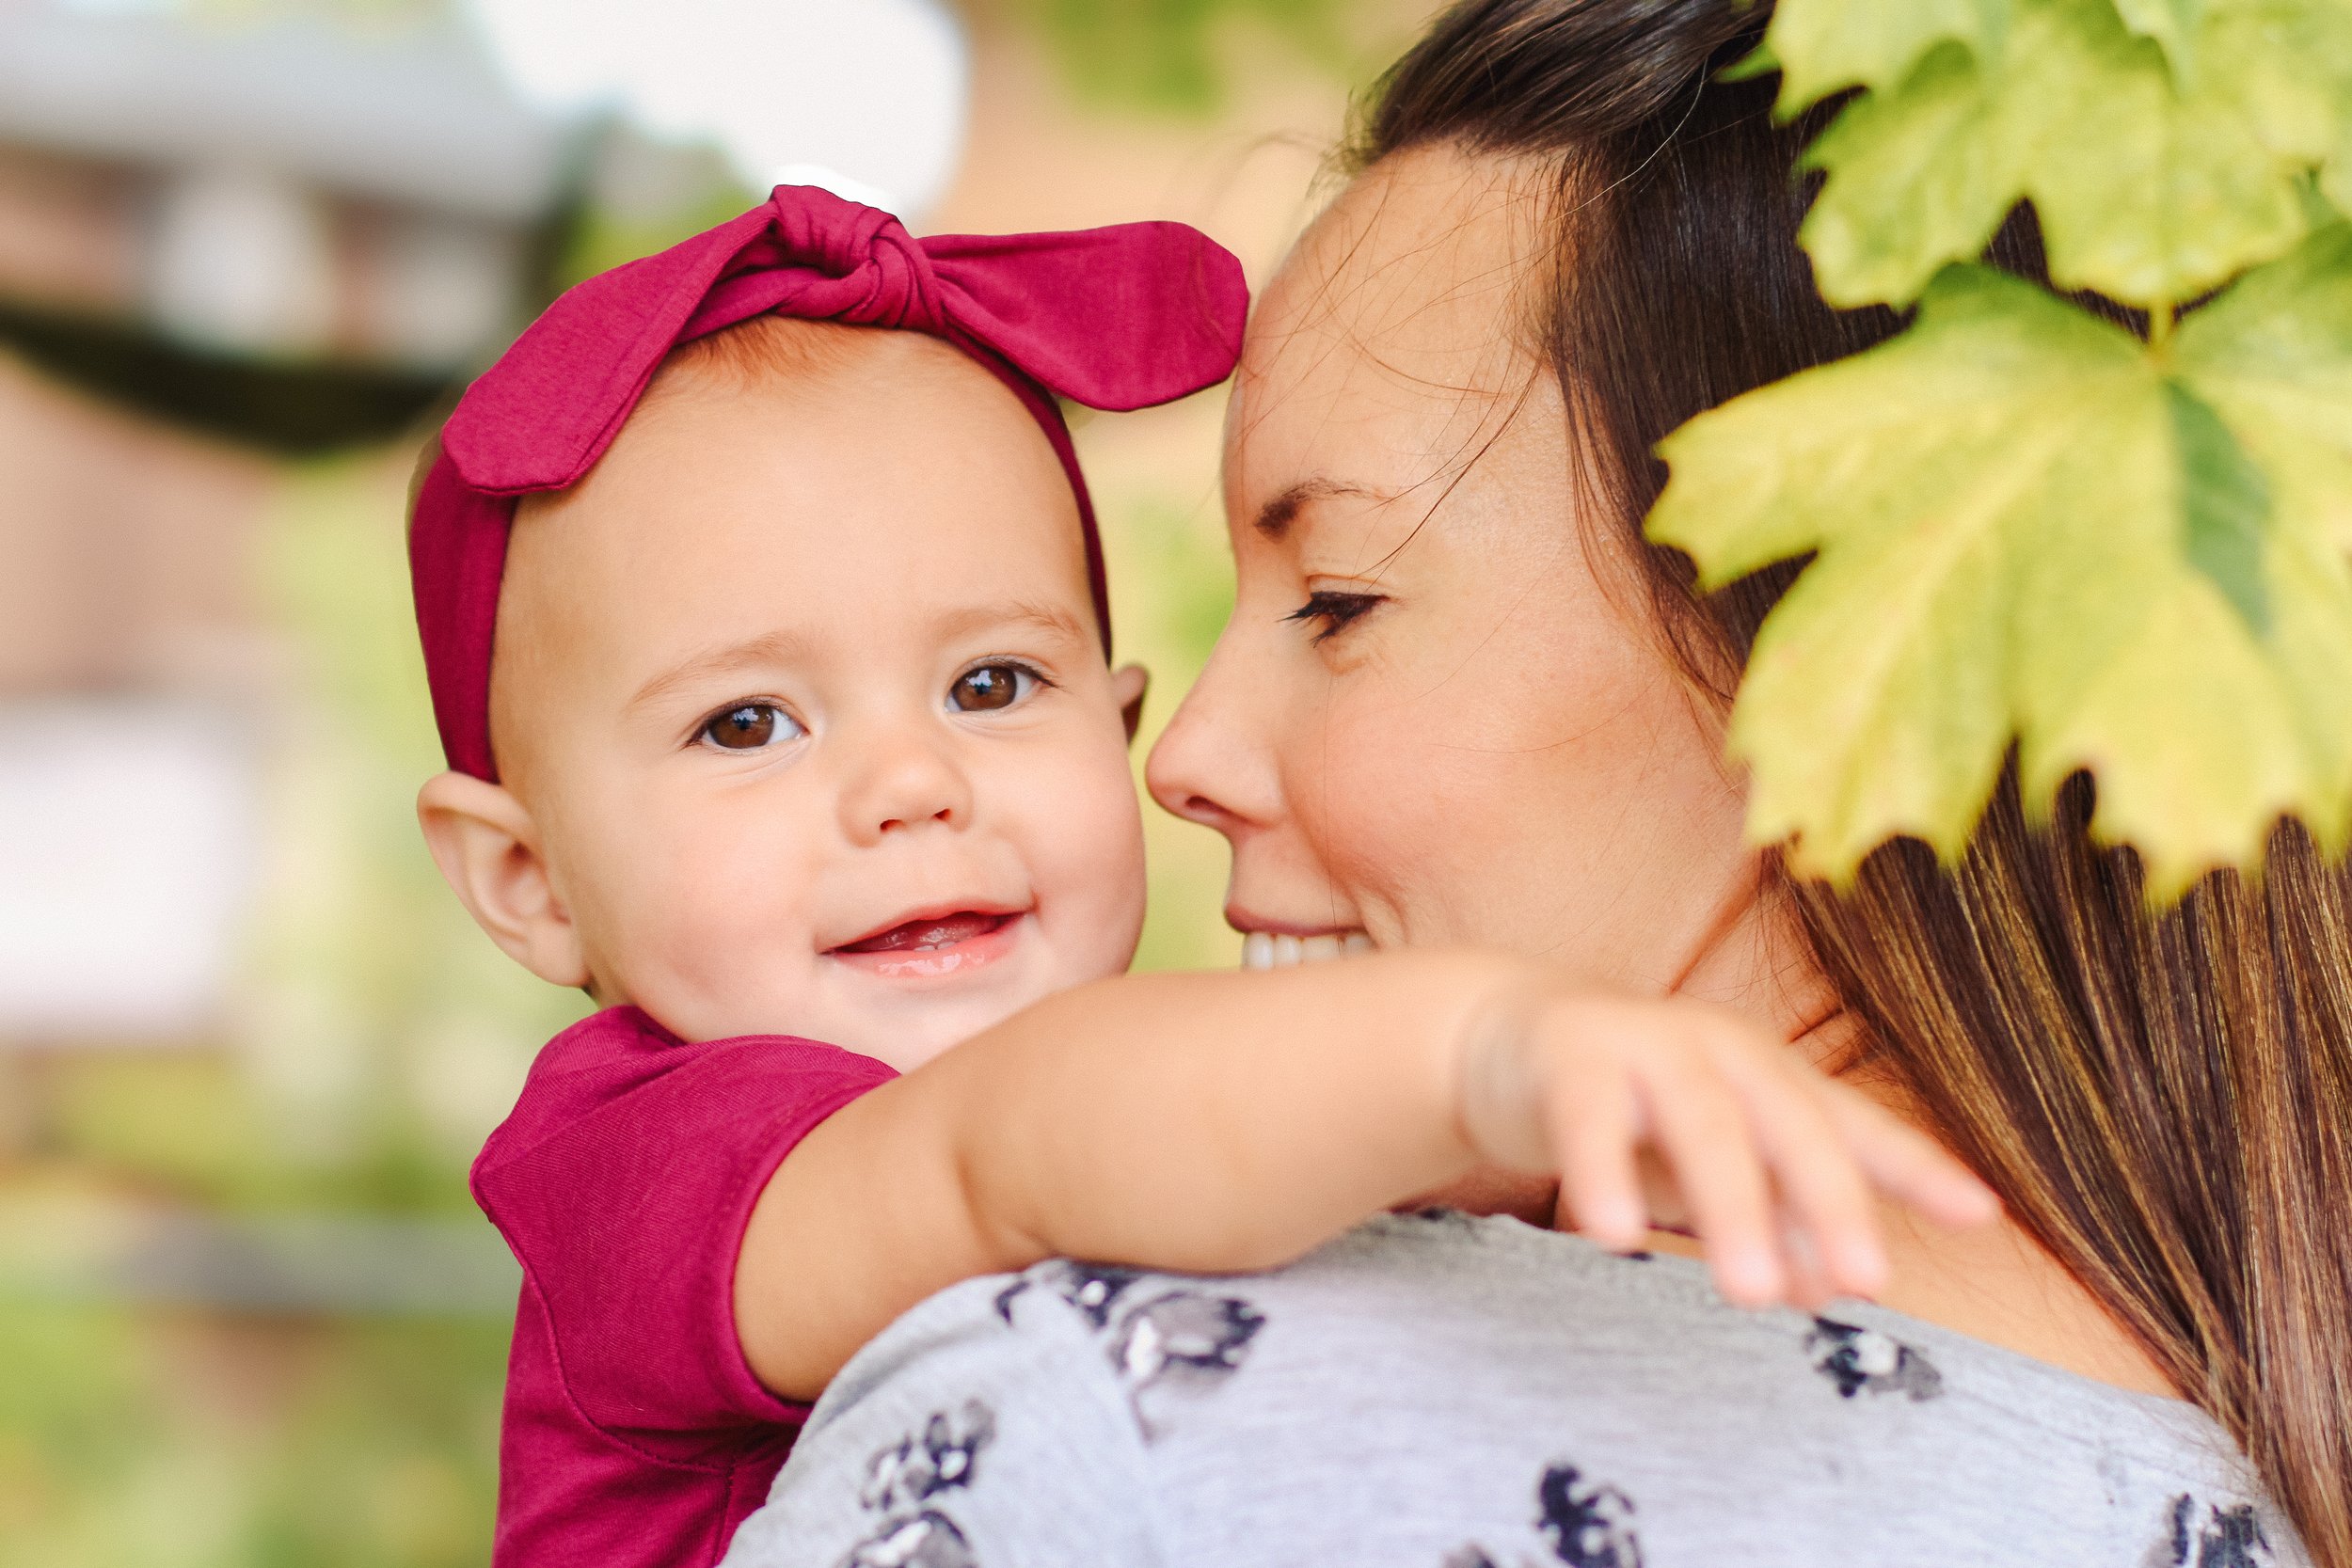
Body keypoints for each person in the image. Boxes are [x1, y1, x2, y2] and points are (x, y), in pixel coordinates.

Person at [722, 3, 2350, 1565]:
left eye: (1340, 602)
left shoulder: (1140, 1410)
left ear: (1849, 641)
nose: (1183, 759)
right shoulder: (2267, 1478)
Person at [406, 186, 1988, 1568]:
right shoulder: (640, 1162)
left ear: (1122, 726)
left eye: (993, 685)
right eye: (746, 722)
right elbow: (992, 1154)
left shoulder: (1159, 1122)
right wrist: (1479, 1051)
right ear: (526, 882)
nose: (911, 786)